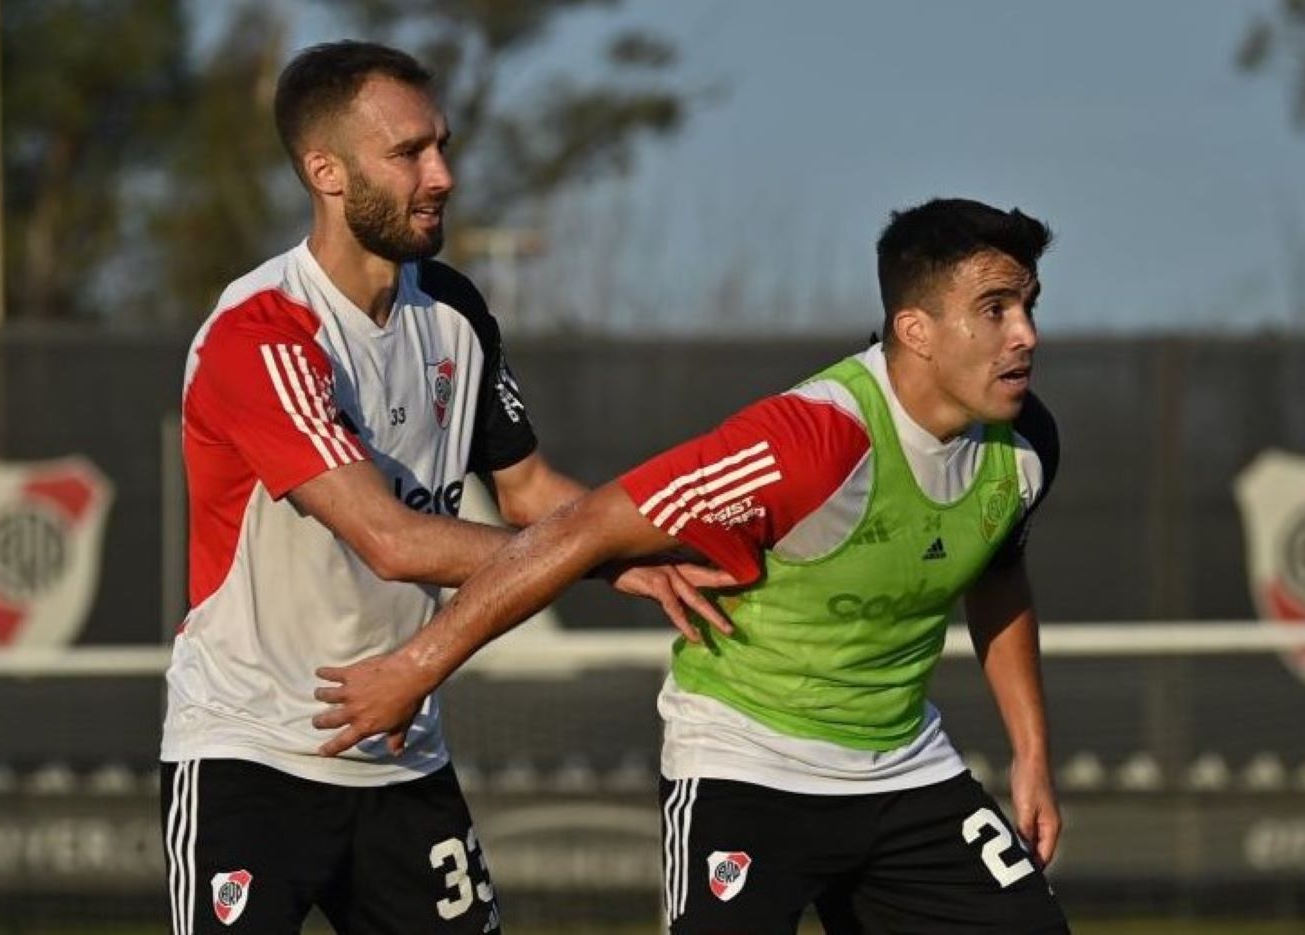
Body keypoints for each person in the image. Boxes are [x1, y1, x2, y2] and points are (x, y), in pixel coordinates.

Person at [312, 198, 1071, 933]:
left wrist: (1031, 754)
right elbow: (580, 528)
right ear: (917, 329)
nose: (1026, 335)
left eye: (1029, 306)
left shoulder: (1025, 448)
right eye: (996, 308)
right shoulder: (809, 442)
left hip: (904, 767)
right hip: (751, 767)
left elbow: (998, 574)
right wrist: (416, 667)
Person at [158, 40, 728, 935]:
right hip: (249, 751)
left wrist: (652, 542)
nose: (444, 175)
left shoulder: (455, 309)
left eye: (443, 145)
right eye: (409, 152)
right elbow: (391, 540)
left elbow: (530, 487)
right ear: (326, 172)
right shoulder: (261, 332)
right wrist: (596, 552)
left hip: (399, 753)